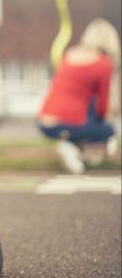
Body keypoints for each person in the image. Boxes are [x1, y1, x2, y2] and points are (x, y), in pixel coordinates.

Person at [37, 18, 120, 174]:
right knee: (108, 130)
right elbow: (103, 107)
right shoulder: (104, 64)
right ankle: (74, 147)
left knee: (87, 107)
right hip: (70, 124)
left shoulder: (70, 54)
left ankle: (76, 147)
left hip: (44, 122)